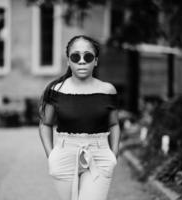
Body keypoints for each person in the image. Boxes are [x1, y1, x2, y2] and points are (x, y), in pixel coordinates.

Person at [38, 35, 121, 200]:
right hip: (64, 154)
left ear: (95, 61)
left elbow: (114, 124)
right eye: (75, 56)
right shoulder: (56, 90)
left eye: (88, 56)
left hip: (99, 154)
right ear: (68, 61)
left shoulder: (108, 90)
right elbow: (45, 124)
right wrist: (51, 155)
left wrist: (113, 155)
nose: (82, 61)